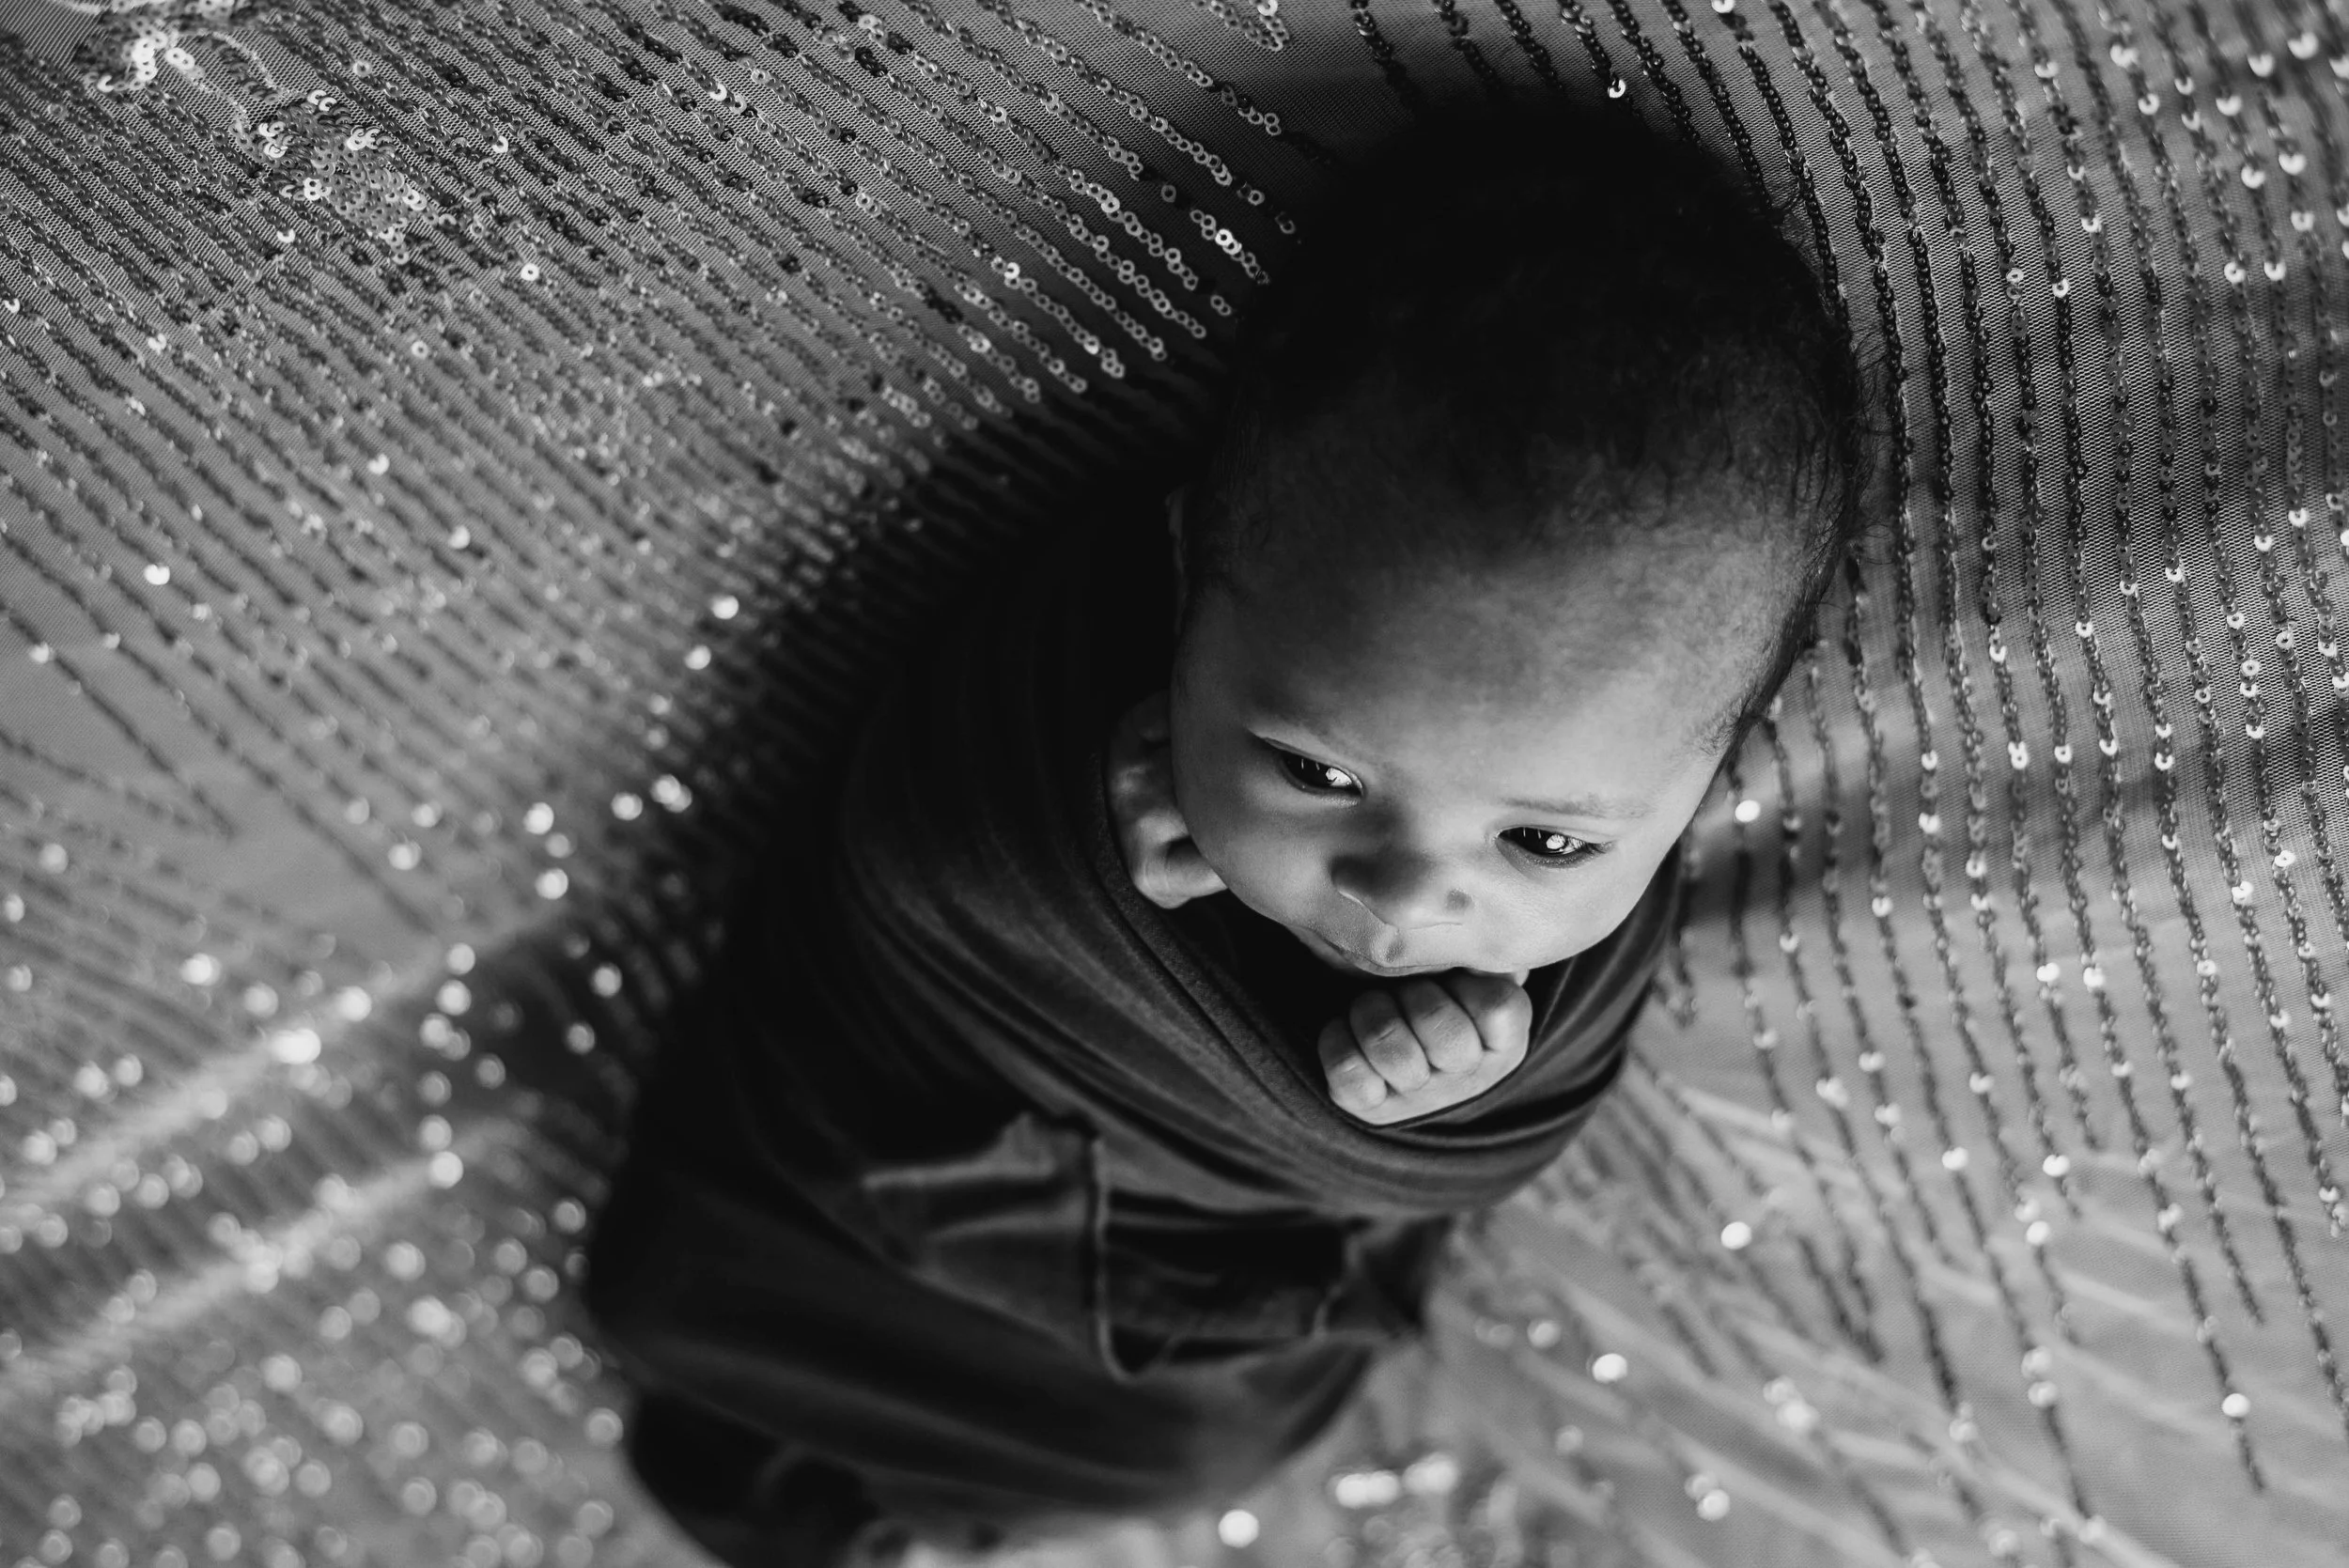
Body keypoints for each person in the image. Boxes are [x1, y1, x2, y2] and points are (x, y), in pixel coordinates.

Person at [582, 102, 1874, 1566]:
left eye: (1547, 847)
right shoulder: (1065, 683)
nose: (1402, 892)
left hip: (1175, 1296)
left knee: (1200, 1441)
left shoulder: (1554, 956)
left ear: (1705, 776)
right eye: (1317, 770)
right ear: (1191, 568)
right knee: (673, 1289)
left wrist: (1451, 1094)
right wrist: (1067, 831)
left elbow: (1492, 1152)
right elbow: (911, 855)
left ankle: (909, 1519)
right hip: (891, 1145)